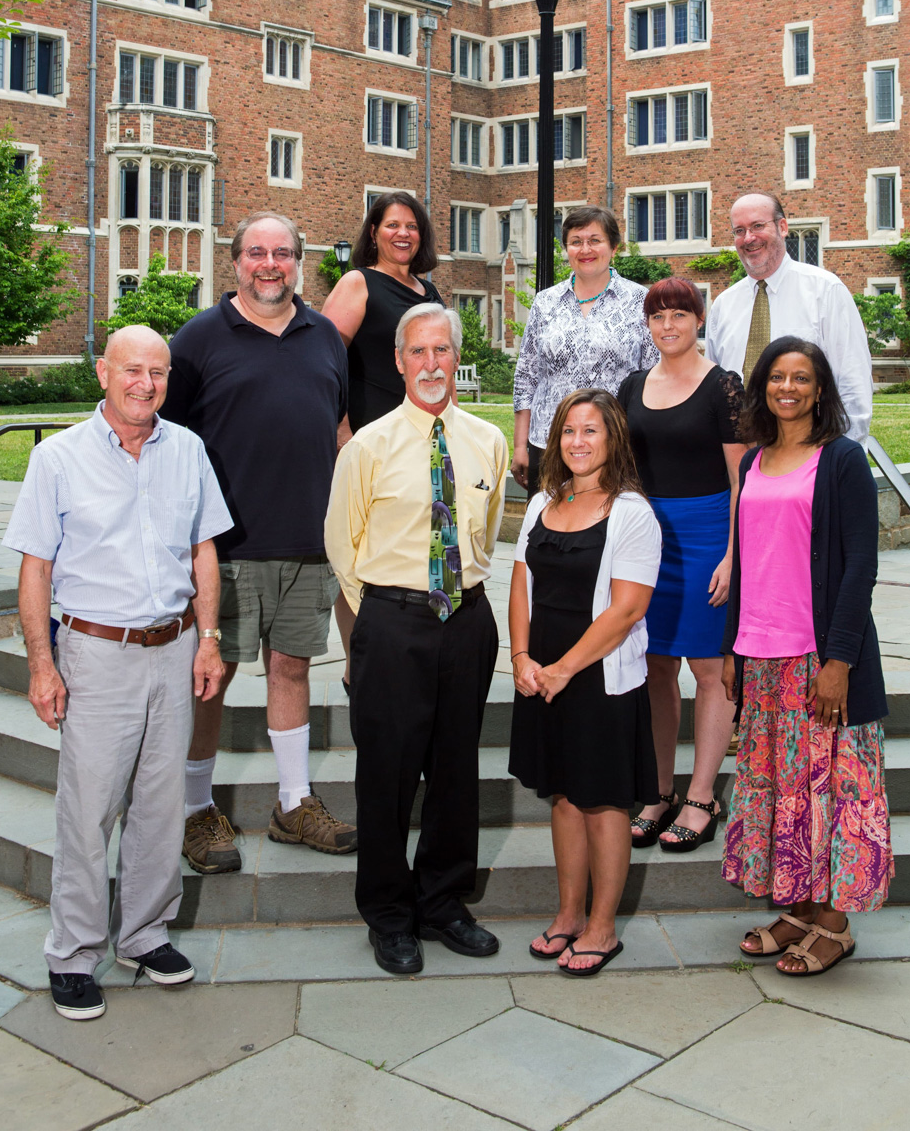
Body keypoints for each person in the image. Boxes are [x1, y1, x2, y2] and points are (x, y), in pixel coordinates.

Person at [3, 326, 233, 1021]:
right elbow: (35, 569)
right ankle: (73, 952)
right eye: (132, 369)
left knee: (163, 806)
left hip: (174, 647)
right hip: (94, 653)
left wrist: (210, 640)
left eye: (158, 373)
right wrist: (42, 665)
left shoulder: (187, 450)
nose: (146, 384)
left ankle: (144, 934)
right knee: (89, 808)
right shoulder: (59, 459)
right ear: (104, 372)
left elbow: (203, 553)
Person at [162, 212, 356, 878]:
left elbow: (338, 427)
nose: (268, 264)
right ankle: (193, 808)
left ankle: (293, 802)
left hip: (308, 542)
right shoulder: (198, 339)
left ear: (299, 261)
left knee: (292, 670)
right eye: (255, 253)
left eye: (282, 253)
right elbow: (166, 443)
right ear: (234, 261)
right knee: (209, 680)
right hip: (224, 548)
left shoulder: (326, 335)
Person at [324, 302, 508, 975]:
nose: (431, 364)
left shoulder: (488, 441)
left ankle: (443, 903)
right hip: (392, 620)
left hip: (467, 619)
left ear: (458, 358)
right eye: (418, 352)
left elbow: (483, 531)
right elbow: (341, 544)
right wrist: (380, 617)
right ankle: (388, 913)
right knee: (388, 774)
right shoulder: (367, 446)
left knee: (457, 770)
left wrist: (457, 599)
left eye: (443, 351)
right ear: (399, 361)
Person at [721, 336, 893, 975]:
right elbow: (749, 563)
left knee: (831, 790)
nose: (787, 388)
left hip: (818, 657)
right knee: (784, 791)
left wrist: (840, 660)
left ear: (821, 390)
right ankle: (800, 907)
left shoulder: (843, 460)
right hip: (761, 655)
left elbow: (860, 565)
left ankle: (836, 923)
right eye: (776, 378)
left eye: (801, 378)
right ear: (763, 387)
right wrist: (733, 646)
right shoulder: (754, 463)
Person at [509, 388, 661, 977]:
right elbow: (520, 583)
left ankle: (602, 926)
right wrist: (521, 657)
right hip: (541, 672)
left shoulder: (631, 513)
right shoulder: (545, 501)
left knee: (603, 802)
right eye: (569, 431)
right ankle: (569, 913)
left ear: (613, 438)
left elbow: (625, 611)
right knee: (564, 797)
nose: (577, 442)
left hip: (598, 676)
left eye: (590, 431)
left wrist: (563, 669)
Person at [617, 279, 745, 851]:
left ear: (699, 320)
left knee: (709, 670)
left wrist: (732, 556)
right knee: (657, 669)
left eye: (679, 314)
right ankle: (660, 790)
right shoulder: (632, 385)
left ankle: (700, 796)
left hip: (707, 536)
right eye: (657, 316)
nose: (667, 325)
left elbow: (743, 479)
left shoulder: (725, 387)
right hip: (649, 539)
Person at [703, 192, 872, 442]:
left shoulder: (825, 291)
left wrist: (843, 458)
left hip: (808, 452)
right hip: (738, 459)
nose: (748, 238)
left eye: (758, 226)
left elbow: (852, 381)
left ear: (782, 227)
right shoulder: (724, 304)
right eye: (739, 230)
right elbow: (714, 389)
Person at [512, 207, 657, 494]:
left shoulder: (641, 301)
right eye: (576, 241)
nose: (585, 249)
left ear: (614, 247)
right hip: (550, 443)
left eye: (595, 240)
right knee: (548, 531)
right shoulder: (545, 302)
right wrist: (520, 445)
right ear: (566, 249)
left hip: (615, 446)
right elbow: (526, 377)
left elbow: (654, 376)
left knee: (608, 532)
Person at [321, 191, 444, 435]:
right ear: (373, 233)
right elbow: (324, 359)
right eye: (393, 225)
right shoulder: (357, 283)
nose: (403, 233)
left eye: (412, 226)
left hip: (427, 433)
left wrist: (451, 428)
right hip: (372, 433)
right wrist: (340, 427)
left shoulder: (430, 291)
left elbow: (444, 369)